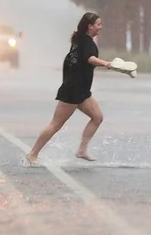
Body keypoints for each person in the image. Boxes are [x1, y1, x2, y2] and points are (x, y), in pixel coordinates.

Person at [25, 11, 113, 166]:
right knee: (55, 125)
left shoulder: (79, 39)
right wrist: (106, 63)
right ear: (89, 26)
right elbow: (90, 59)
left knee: (97, 117)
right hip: (72, 91)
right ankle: (33, 154)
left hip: (82, 92)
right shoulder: (87, 43)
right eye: (98, 24)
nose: (101, 27)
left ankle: (82, 150)